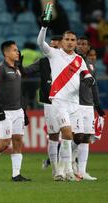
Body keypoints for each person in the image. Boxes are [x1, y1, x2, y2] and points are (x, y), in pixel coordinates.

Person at [37, 16, 95, 181]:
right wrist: (44, 27)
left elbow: (86, 73)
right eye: (67, 39)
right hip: (59, 101)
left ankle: (63, 170)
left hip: (74, 102)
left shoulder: (78, 60)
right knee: (67, 134)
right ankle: (67, 170)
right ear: (62, 42)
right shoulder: (53, 54)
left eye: (72, 40)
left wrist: (89, 78)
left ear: (76, 43)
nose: (70, 42)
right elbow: (41, 43)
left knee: (71, 137)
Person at [0, 41, 31, 182]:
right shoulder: (0, 69)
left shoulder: (17, 69)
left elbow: (19, 92)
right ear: (6, 53)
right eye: (15, 50)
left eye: (17, 50)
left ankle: (16, 174)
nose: (18, 52)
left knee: (18, 141)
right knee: (4, 143)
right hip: (5, 112)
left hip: (18, 111)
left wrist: (24, 111)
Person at [19, 35, 62, 179]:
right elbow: (26, 72)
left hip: (68, 101)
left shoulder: (70, 61)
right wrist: (19, 65)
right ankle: (56, 170)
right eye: (51, 46)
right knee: (54, 135)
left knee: (74, 136)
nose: (52, 49)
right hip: (49, 102)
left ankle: (71, 167)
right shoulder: (43, 62)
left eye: (56, 47)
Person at [74, 42, 105, 180]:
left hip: (88, 105)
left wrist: (97, 104)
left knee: (86, 138)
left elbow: (94, 86)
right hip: (75, 104)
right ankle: (65, 162)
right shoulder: (71, 62)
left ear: (88, 47)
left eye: (84, 44)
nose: (81, 46)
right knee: (77, 137)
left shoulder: (91, 65)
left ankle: (82, 172)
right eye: (78, 43)